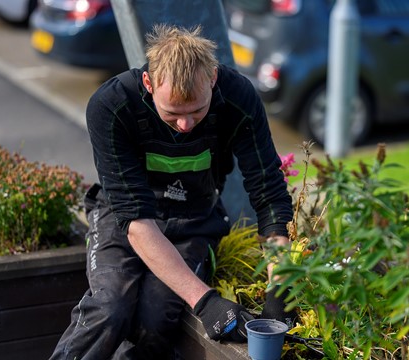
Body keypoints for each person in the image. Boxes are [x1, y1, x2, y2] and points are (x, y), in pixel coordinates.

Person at [50, 24, 294, 359]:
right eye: (173, 113)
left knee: (157, 317)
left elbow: (268, 195)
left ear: (212, 78)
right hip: (123, 217)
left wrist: (280, 288)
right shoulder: (112, 105)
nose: (185, 125)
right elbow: (136, 223)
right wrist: (206, 301)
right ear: (149, 84)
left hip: (194, 219)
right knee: (109, 307)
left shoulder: (238, 98)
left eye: (197, 111)